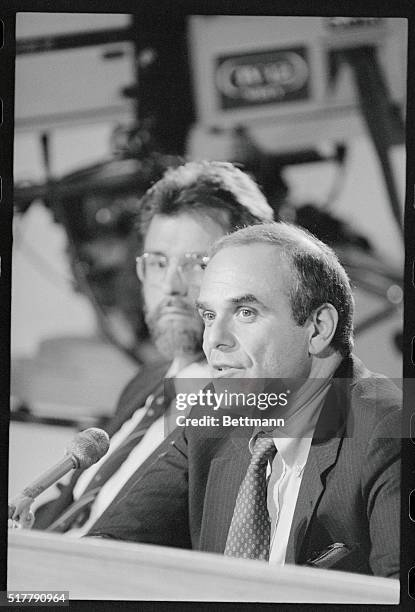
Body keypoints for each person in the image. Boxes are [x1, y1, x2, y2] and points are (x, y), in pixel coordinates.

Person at [88, 222, 401, 578]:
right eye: (208, 316)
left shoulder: (388, 430)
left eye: (245, 313)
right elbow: (110, 547)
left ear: (318, 328)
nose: (214, 341)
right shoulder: (215, 412)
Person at [31, 161, 273, 533]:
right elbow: (74, 499)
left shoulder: (260, 403)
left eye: (198, 264)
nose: (171, 286)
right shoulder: (147, 383)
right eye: (158, 263)